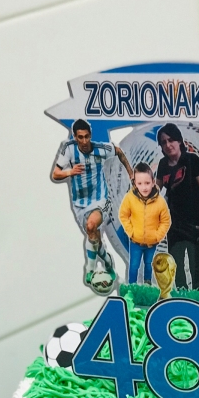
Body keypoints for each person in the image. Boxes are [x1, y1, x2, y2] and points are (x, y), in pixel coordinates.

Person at [52, 119, 133, 287]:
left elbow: (118, 151)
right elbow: (56, 174)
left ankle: (89, 270)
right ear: (75, 137)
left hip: (101, 199)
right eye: (80, 137)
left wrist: (131, 174)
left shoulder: (100, 149)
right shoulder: (69, 149)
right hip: (79, 204)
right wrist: (70, 172)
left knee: (91, 226)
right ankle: (107, 260)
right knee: (93, 236)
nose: (84, 141)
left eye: (86, 136)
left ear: (90, 135)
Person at [155, 123, 199, 290]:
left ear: (179, 141)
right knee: (176, 266)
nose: (168, 145)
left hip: (196, 223)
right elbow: (154, 192)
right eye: (164, 142)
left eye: (171, 140)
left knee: (197, 266)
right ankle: (181, 298)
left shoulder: (193, 160)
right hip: (174, 225)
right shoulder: (163, 164)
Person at [118, 162, 171, 285]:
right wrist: (131, 232)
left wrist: (157, 236)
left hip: (152, 243)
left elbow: (166, 221)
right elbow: (123, 215)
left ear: (153, 182)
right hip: (135, 242)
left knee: (149, 264)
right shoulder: (130, 198)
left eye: (147, 183)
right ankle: (132, 287)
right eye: (140, 183)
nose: (144, 187)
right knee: (134, 265)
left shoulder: (160, 202)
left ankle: (147, 284)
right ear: (135, 184)